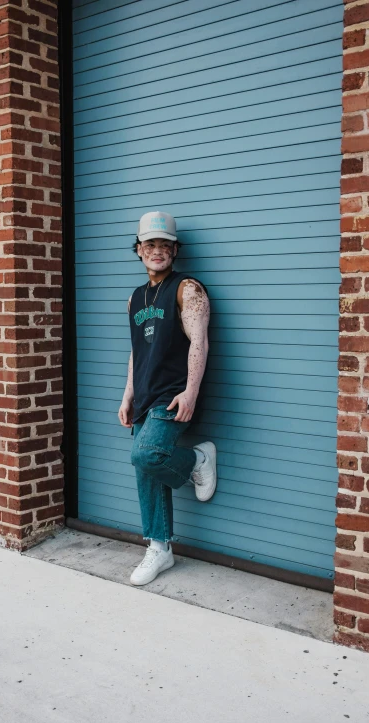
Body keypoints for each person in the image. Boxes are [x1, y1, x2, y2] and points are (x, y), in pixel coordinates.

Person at [118, 211, 217, 586]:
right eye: (149, 245)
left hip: (173, 395)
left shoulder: (188, 289)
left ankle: (198, 457)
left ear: (175, 250)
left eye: (164, 245)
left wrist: (190, 391)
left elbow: (199, 342)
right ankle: (159, 548)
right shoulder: (135, 297)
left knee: (145, 455)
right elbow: (136, 352)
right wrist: (127, 395)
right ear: (139, 250)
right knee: (145, 470)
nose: (156, 251)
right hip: (143, 394)